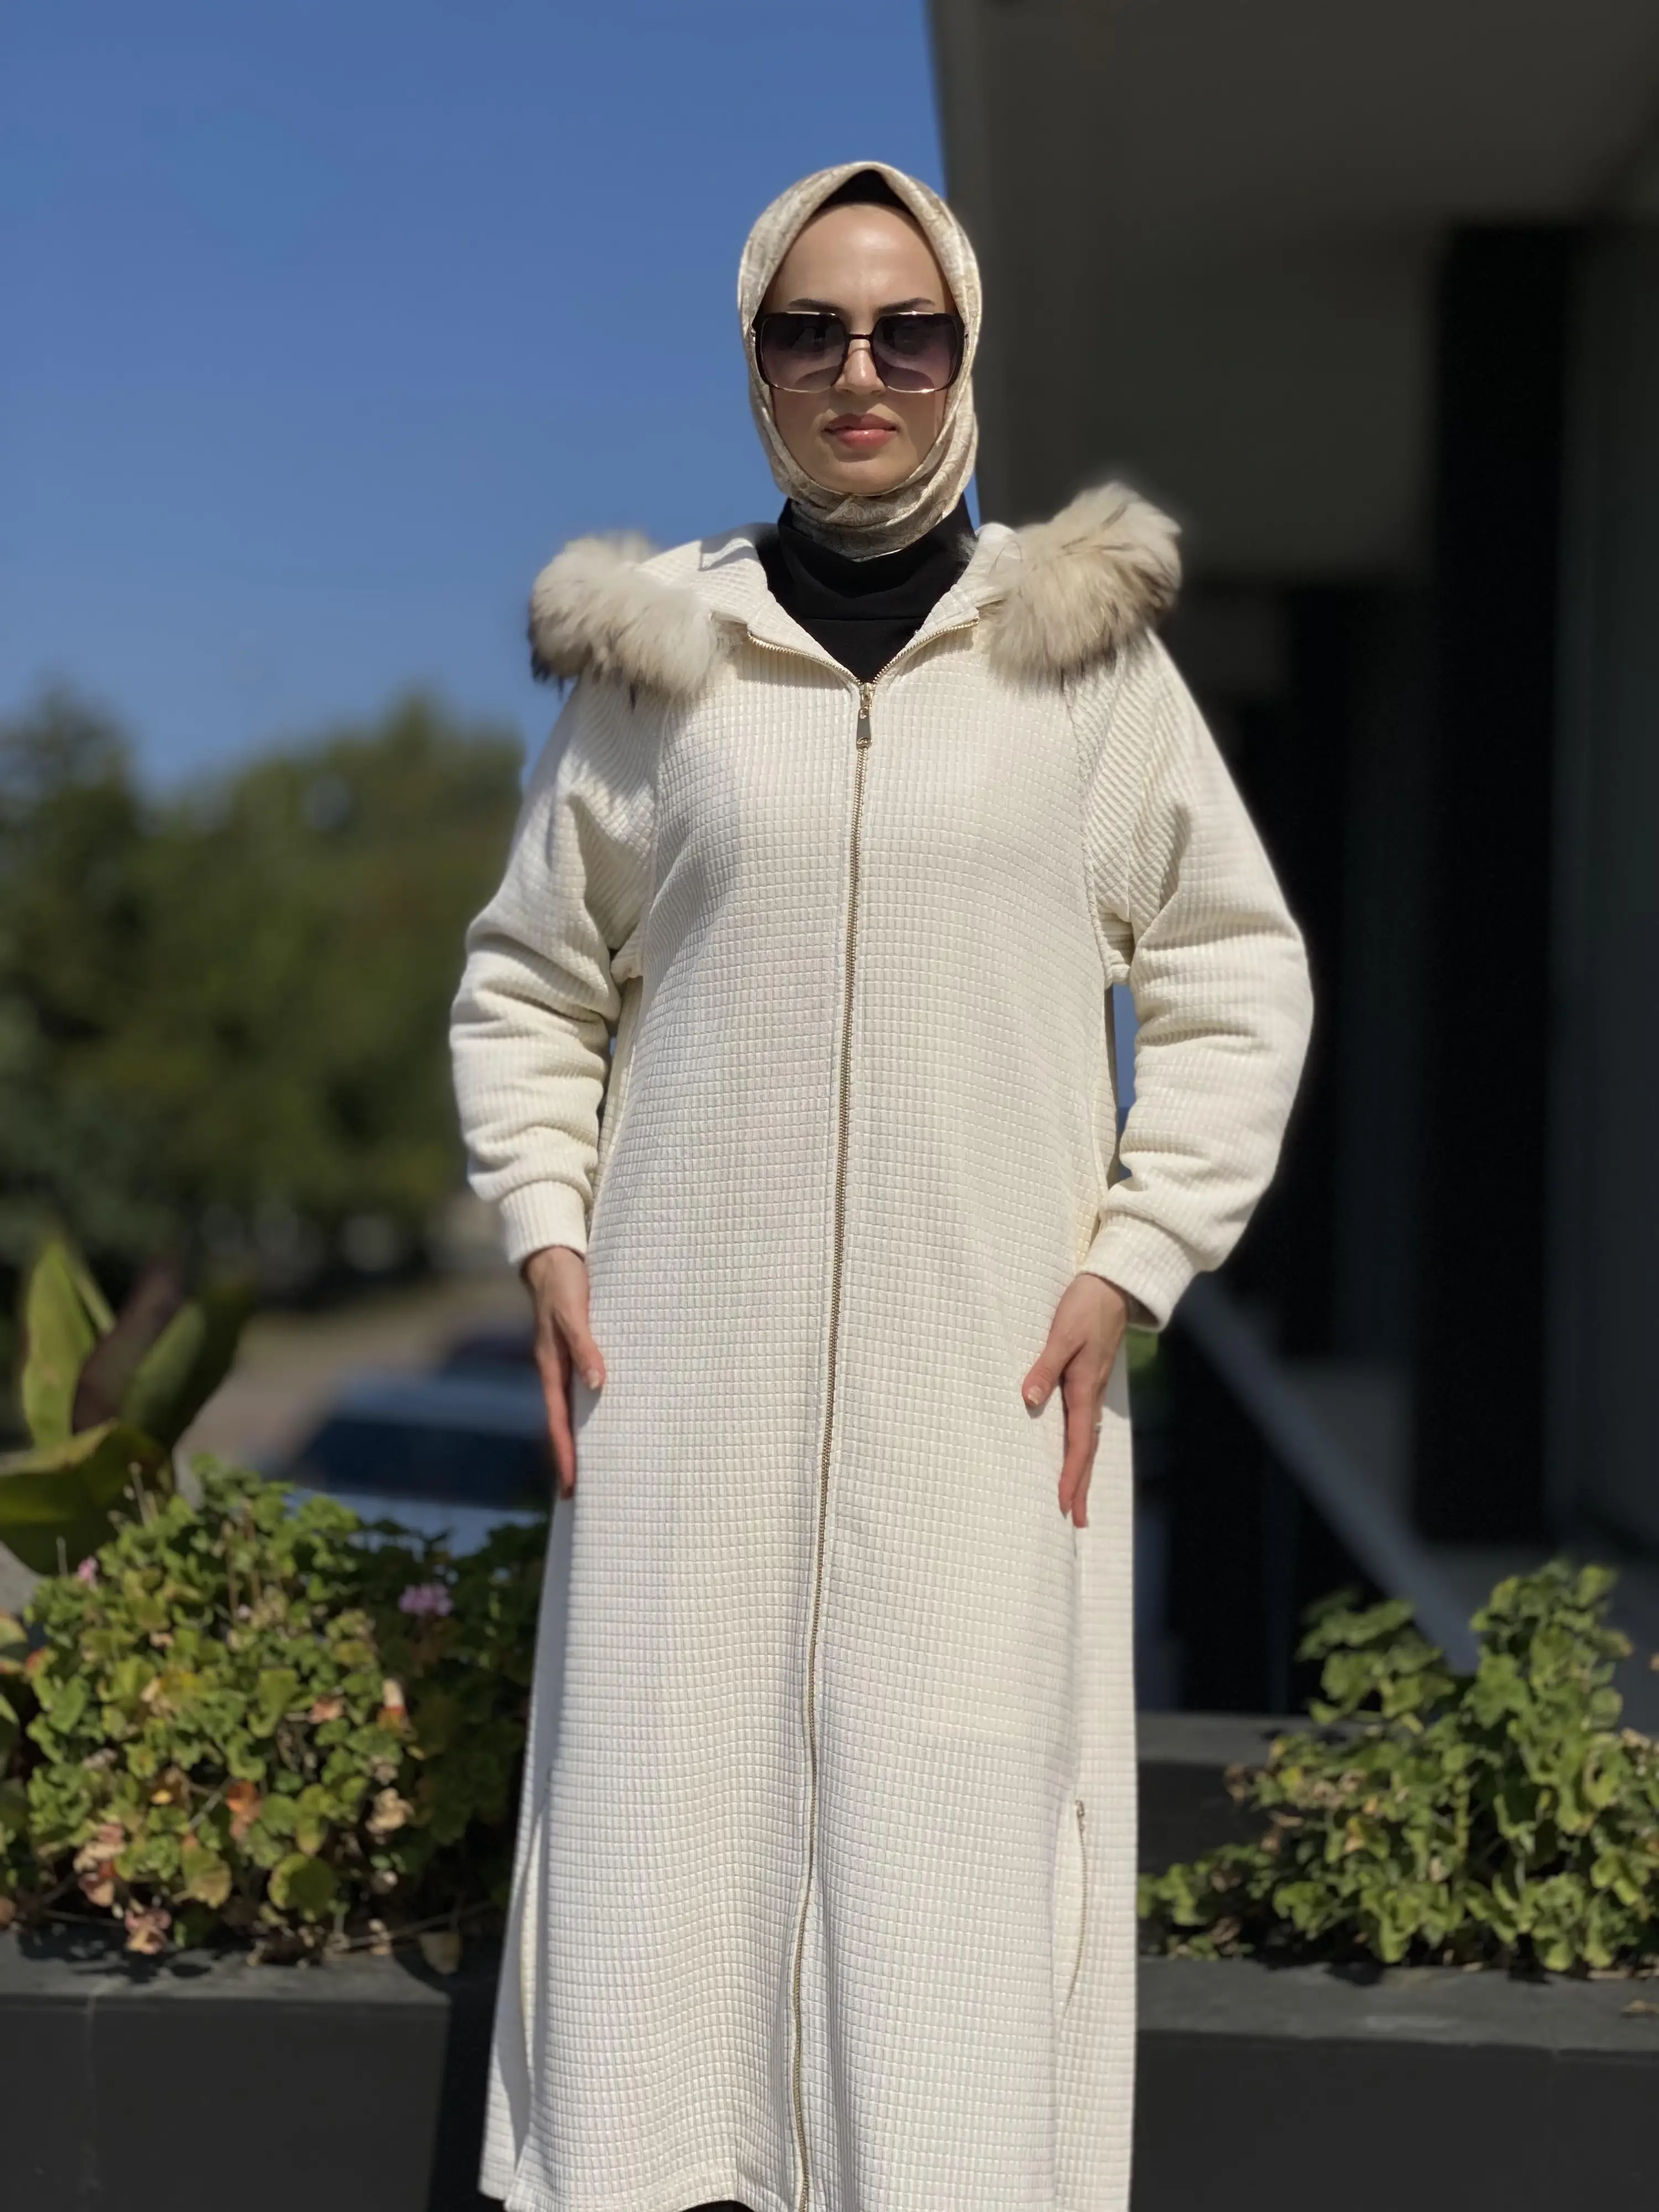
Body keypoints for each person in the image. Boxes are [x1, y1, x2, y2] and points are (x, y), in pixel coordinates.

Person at [450, 158, 1312, 2212]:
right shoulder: (662, 663)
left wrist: (1133, 1259)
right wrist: (549, 1230)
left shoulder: (1081, 665)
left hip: (980, 1408)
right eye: (811, 332)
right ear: (756, 360)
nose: (862, 372)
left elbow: (1234, 971)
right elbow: (532, 982)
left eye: (906, 332)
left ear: (963, 355)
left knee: (951, 1916)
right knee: (658, 1895)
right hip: (683, 1411)